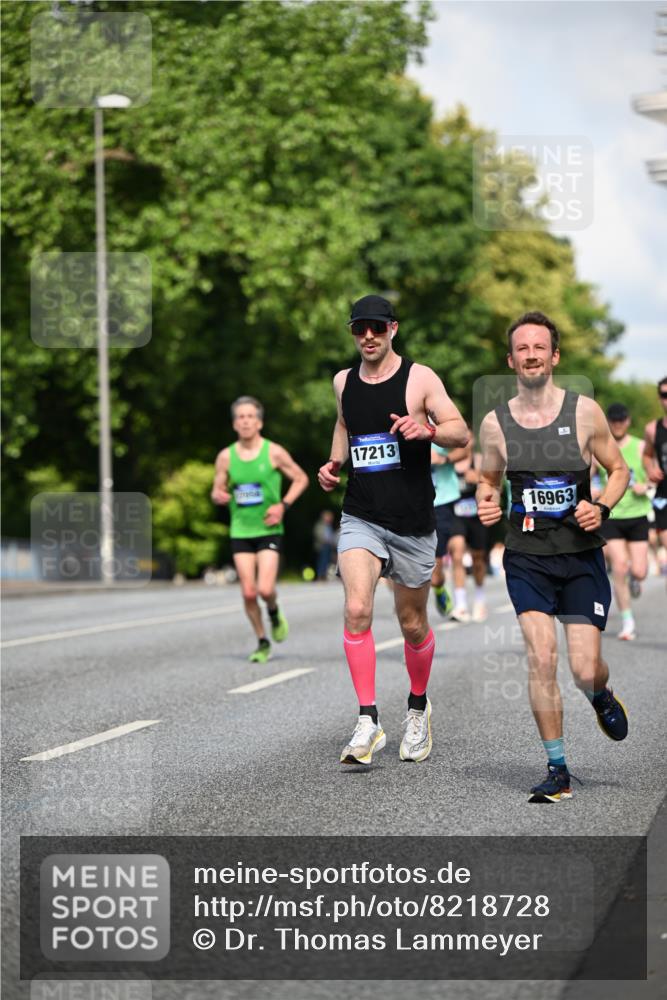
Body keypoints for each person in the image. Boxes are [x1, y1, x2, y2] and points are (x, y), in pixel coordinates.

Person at [477, 311, 630, 804]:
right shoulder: (494, 424)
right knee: (541, 657)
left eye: (539, 347)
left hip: (580, 555)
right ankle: (557, 769)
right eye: (522, 348)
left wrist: (601, 507)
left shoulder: (585, 413)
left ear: (554, 356)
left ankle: (599, 694)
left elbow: (619, 470)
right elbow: (488, 480)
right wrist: (486, 501)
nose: (531, 355)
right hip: (527, 557)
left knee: (585, 669)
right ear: (511, 360)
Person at [318, 294, 468, 766]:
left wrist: (429, 432)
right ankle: (368, 720)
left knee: (412, 624)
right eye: (359, 328)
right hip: (361, 514)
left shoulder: (419, 378)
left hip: (412, 521)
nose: (368, 336)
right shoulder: (342, 381)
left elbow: (460, 431)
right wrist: (334, 463)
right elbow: (344, 424)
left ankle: (418, 707)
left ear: (393, 329)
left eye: (377, 328)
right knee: (357, 608)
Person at [211, 396, 308, 663]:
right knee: (248, 592)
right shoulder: (225, 457)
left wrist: (283, 506)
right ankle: (262, 641)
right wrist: (218, 495)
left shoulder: (274, 452)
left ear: (259, 422)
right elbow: (217, 489)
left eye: (250, 416)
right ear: (234, 424)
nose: (245, 421)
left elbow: (301, 478)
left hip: (268, 528)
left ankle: (274, 611)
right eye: (240, 417)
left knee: (265, 589)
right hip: (241, 530)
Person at [597, 403, 651, 641]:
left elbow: (655, 476)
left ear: (628, 421)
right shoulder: (600, 447)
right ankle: (628, 621)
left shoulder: (640, 447)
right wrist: (592, 491)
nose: (618, 424)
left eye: (622, 420)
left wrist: (646, 486)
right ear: (608, 422)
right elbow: (587, 476)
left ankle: (635, 580)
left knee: (639, 571)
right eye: (614, 420)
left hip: (638, 515)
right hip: (612, 515)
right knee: (619, 566)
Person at [451, 433, 492, 622]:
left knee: (478, 558)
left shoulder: (479, 460)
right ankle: (460, 605)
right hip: (455, 514)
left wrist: (479, 481)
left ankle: (480, 598)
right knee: (457, 553)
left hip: (476, 515)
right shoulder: (449, 462)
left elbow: (493, 485)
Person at [430, 440, 470, 619]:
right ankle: (438, 587)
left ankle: (460, 605)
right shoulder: (401, 435)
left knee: (457, 553)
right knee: (434, 575)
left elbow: (464, 449)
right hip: (421, 507)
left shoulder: (438, 431)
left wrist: (442, 459)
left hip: (446, 502)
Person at [643, 375, 667, 571]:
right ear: (660, 398)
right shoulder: (652, 429)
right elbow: (646, 455)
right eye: (665, 395)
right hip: (664, 494)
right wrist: (651, 469)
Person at [313, 510, 336, 581]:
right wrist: (325, 540)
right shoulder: (320, 525)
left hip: (329, 546)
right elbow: (317, 534)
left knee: (327, 561)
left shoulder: (329, 526)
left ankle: (324, 575)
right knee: (322, 561)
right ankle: (320, 575)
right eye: (328, 517)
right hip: (322, 546)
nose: (330, 518)